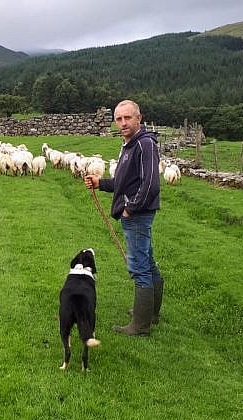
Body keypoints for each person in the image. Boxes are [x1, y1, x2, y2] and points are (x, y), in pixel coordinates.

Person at [84, 99, 163, 336]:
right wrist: (101, 183)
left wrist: (131, 208)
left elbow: (151, 183)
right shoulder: (130, 145)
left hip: (137, 215)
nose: (123, 123)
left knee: (139, 266)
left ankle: (140, 326)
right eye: (119, 119)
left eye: (127, 117)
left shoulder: (145, 144)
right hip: (136, 213)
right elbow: (125, 181)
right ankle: (150, 313)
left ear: (139, 118)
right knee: (147, 262)